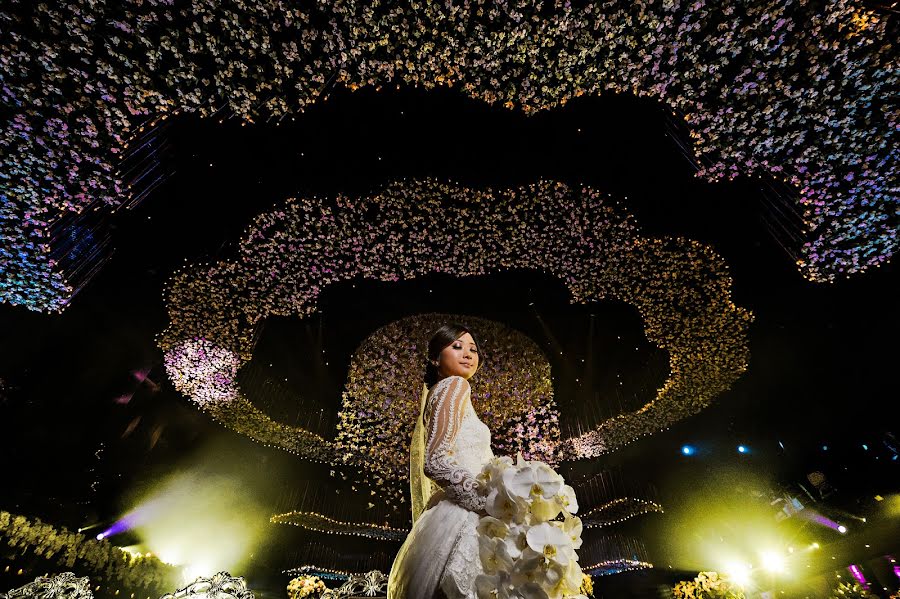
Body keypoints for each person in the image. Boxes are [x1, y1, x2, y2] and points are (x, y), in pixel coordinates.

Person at [387, 323, 494, 599]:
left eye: (473, 349)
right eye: (456, 346)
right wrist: (488, 504)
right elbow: (436, 462)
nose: (468, 354)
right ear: (435, 359)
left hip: (452, 512)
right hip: (465, 514)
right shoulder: (456, 386)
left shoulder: (441, 391)